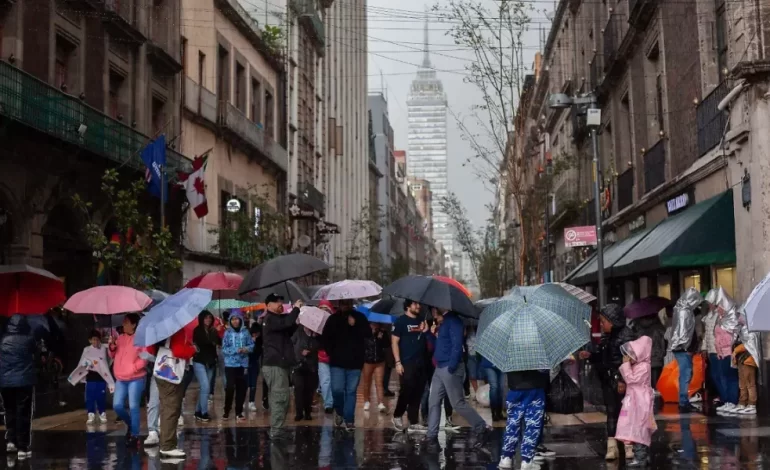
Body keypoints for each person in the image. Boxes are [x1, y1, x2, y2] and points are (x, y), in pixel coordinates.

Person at [423, 308, 491, 452]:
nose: (432, 311)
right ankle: (431, 436)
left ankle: (482, 426)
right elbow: (439, 345)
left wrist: (451, 367)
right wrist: (428, 333)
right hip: (440, 367)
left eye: (434, 308)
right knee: (433, 401)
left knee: (458, 404)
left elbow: (457, 346)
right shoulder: (444, 323)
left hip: (449, 367)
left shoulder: (453, 321)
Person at [579, 303, 636, 461]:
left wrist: (623, 379)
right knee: (611, 412)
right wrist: (590, 355)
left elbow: (630, 360)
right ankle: (612, 446)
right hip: (608, 379)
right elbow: (603, 357)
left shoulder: (626, 336)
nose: (602, 325)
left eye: (604, 321)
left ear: (613, 320)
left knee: (625, 413)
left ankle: (628, 446)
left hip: (621, 380)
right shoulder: (607, 337)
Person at [322, 299, 371, 429]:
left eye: (348, 303)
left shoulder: (360, 317)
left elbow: (368, 334)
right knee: (337, 390)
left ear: (351, 303)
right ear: (339, 304)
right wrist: (331, 352)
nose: (345, 306)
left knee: (351, 391)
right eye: (343, 303)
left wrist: (355, 325)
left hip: (355, 363)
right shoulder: (333, 319)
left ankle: (349, 419)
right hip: (337, 362)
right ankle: (339, 411)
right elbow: (325, 338)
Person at [262, 294, 302, 439]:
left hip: (281, 363)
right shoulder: (270, 319)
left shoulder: (277, 319)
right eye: (276, 302)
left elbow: (288, 329)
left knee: (281, 397)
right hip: (275, 364)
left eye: (281, 301)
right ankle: (276, 430)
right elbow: (285, 323)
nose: (280, 304)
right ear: (268, 305)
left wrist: (295, 322)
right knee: (280, 397)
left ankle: (277, 427)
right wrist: (296, 309)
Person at [155, 322, 197, 458]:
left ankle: (166, 442)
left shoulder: (160, 329)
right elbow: (179, 351)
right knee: (171, 409)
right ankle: (167, 446)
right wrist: (192, 349)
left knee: (166, 408)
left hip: (161, 372)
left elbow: (150, 349)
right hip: (171, 375)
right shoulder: (177, 330)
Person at [615, 336, 656, 467]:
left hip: (639, 402)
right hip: (634, 401)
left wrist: (625, 365)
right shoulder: (640, 365)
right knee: (636, 427)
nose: (630, 357)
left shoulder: (643, 366)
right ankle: (643, 456)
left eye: (633, 354)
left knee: (639, 428)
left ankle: (641, 457)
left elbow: (631, 380)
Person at [108, 313, 148, 448]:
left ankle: (135, 435)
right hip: (120, 378)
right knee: (117, 405)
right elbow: (112, 355)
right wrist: (112, 346)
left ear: (134, 325)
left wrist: (133, 368)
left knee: (133, 406)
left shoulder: (141, 339)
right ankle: (131, 424)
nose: (123, 325)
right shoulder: (120, 338)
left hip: (135, 378)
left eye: (126, 322)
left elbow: (145, 358)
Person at [0, 315, 37, 459]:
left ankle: (11, 440)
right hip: (23, 381)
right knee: (23, 413)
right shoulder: (29, 339)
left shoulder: (3, 339)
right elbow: (36, 352)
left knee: (9, 410)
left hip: (5, 382)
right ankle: (22, 447)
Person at [496, 368, 549, 470]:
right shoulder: (538, 356)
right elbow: (544, 370)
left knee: (512, 423)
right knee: (533, 425)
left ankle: (506, 457)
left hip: (514, 387)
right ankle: (527, 460)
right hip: (536, 388)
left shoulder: (511, 357)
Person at [391, 299, 428, 432]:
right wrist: (398, 362)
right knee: (406, 389)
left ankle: (413, 421)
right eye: (415, 304)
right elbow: (394, 342)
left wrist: (426, 331)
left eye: (419, 304)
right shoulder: (400, 321)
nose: (418, 306)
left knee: (418, 391)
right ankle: (397, 415)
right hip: (406, 362)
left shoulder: (422, 320)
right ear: (408, 306)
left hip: (421, 361)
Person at [668, 287, 703, 413]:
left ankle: (684, 401)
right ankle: (683, 402)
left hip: (680, 347)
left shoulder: (680, 309)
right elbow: (684, 332)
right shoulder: (685, 312)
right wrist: (687, 347)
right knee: (686, 374)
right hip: (683, 348)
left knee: (685, 374)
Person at [68, 330, 114, 424]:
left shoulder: (104, 349)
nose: (95, 342)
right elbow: (82, 363)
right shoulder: (86, 350)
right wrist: (87, 364)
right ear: (90, 340)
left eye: (97, 340)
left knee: (101, 396)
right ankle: (91, 413)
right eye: (93, 339)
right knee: (90, 396)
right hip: (91, 376)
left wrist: (111, 343)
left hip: (101, 376)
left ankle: (102, 412)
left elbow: (109, 358)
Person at [222, 310, 254, 421]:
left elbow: (251, 345)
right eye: (233, 319)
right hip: (230, 365)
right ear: (230, 321)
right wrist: (236, 350)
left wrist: (246, 349)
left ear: (240, 320)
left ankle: (239, 412)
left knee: (242, 388)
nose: (235, 321)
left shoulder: (246, 332)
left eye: (237, 319)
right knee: (230, 387)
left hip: (243, 365)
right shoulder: (227, 333)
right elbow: (224, 349)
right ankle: (226, 410)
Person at [714, 289, 741, 413]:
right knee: (725, 376)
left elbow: (732, 338)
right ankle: (728, 401)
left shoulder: (731, 320)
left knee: (731, 377)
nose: (717, 309)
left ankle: (732, 401)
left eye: (719, 306)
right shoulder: (721, 319)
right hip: (722, 353)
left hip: (730, 353)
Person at [193, 310, 221, 422]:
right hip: (199, 362)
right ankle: (204, 413)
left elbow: (219, 342)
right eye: (206, 318)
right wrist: (214, 333)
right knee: (205, 387)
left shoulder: (213, 330)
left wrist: (217, 332)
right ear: (201, 319)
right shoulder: (197, 330)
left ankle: (197, 411)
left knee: (205, 387)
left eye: (210, 318)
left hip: (211, 363)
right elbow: (204, 342)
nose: (208, 320)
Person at [731, 313, 760, 415]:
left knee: (749, 382)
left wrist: (737, 349)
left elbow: (750, 344)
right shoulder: (740, 329)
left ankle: (752, 404)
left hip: (748, 358)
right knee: (742, 382)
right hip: (741, 358)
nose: (738, 318)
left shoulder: (752, 330)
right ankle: (742, 402)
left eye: (740, 316)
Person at [631, 313, 666, 391]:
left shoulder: (638, 328)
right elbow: (664, 343)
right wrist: (662, 354)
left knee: (644, 387)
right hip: (656, 360)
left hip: (642, 361)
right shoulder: (659, 327)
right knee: (656, 386)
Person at [292, 323, 320, 420]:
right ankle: (299, 412)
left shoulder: (316, 335)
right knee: (299, 389)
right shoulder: (298, 332)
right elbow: (292, 344)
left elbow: (319, 347)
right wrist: (301, 352)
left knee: (309, 390)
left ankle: (308, 412)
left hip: (311, 367)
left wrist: (314, 340)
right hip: (298, 366)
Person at [362, 322, 390, 413]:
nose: (375, 325)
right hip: (367, 361)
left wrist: (381, 335)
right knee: (367, 382)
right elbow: (362, 344)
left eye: (377, 324)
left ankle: (380, 403)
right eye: (373, 324)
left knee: (379, 382)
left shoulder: (382, 332)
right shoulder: (365, 332)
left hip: (379, 361)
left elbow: (387, 344)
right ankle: (366, 401)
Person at [316, 300, 335, 414]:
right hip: (322, 356)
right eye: (321, 308)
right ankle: (328, 404)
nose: (324, 311)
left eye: (326, 309)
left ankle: (335, 401)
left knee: (335, 382)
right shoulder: (315, 323)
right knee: (325, 381)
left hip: (335, 356)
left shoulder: (335, 322)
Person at [480, 355, 506, 422]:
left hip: (502, 364)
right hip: (489, 363)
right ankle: (494, 413)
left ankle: (499, 412)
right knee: (494, 387)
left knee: (501, 388)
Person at [247, 321, 263, 412]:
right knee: (245, 384)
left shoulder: (260, 342)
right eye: (254, 333)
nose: (256, 335)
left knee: (253, 384)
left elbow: (258, 353)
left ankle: (251, 401)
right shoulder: (247, 339)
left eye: (257, 333)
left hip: (254, 364)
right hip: (246, 364)